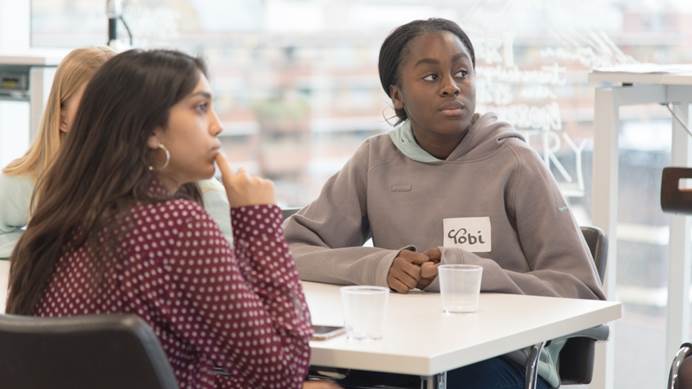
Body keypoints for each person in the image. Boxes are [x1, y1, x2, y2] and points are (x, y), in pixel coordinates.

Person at [283, 18, 605, 389]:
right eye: (432, 77)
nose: (452, 87)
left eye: (462, 73)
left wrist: (464, 273)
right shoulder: (375, 160)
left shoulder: (514, 162)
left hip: (505, 360)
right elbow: (289, 249)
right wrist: (380, 265)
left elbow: (581, 289)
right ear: (397, 95)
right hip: (400, 350)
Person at [6, 49, 312, 388]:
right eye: (200, 107)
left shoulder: (59, 217)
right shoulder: (175, 225)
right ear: (150, 130)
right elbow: (282, 372)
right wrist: (258, 224)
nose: (217, 124)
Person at [0, 47, 232, 259]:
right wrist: (45, 248)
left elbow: (227, 266)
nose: (115, 120)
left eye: (124, 108)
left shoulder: (196, 188)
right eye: (95, 107)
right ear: (62, 120)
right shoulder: (34, 177)